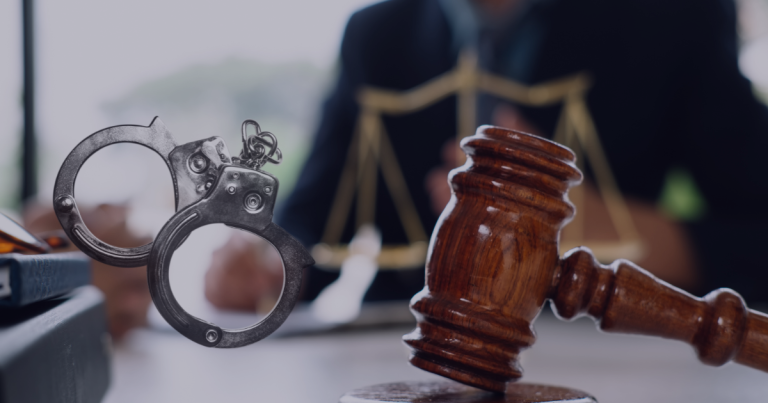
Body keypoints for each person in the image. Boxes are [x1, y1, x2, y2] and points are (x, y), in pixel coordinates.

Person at [205, 0, 768, 312]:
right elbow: (315, 223)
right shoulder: (376, 36)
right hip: (410, 359)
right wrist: (269, 262)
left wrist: (623, 234)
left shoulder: (676, 18)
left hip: (604, 348)